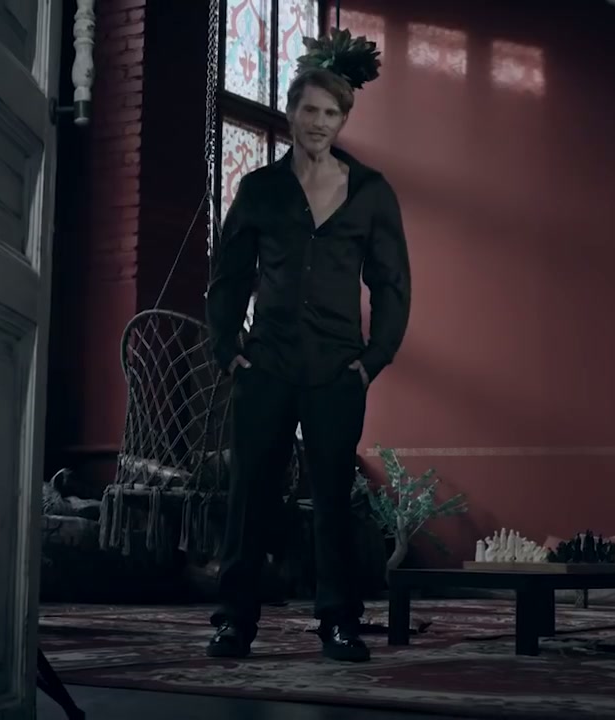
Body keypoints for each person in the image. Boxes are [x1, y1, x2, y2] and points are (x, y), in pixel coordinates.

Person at [204, 44, 411, 663]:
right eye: (310, 110)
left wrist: (373, 359)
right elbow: (228, 276)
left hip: (336, 370)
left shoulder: (371, 192)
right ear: (291, 113)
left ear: (343, 120)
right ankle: (234, 622)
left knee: (333, 499)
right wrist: (227, 348)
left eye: (331, 113)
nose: (320, 123)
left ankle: (338, 623)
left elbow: (393, 284)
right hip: (265, 364)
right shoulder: (260, 190)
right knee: (250, 496)